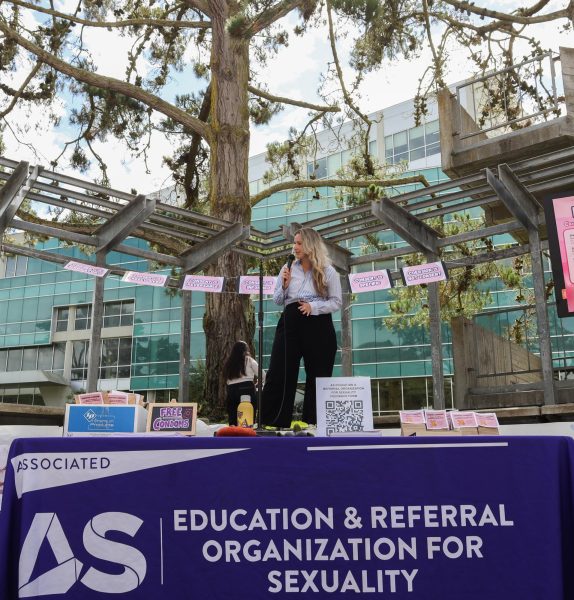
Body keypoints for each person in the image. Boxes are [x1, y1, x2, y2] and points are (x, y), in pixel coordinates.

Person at [261, 227, 342, 428]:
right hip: (291, 320)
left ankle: (313, 423)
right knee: (280, 370)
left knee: (318, 373)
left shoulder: (328, 271)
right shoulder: (287, 268)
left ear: (310, 245)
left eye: (299, 243)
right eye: (294, 243)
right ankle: (273, 421)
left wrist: (313, 307)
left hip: (318, 323)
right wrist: (285, 285)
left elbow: (336, 302)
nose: (295, 247)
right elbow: (277, 300)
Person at [223, 341, 259, 426]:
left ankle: (233, 433)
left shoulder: (228, 363)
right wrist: (258, 383)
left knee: (233, 414)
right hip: (247, 388)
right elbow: (263, 375)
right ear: (246, 350)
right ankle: (248, 431)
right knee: (249, 413)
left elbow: (226, 379)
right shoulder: (249, 360)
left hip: (232, 390)